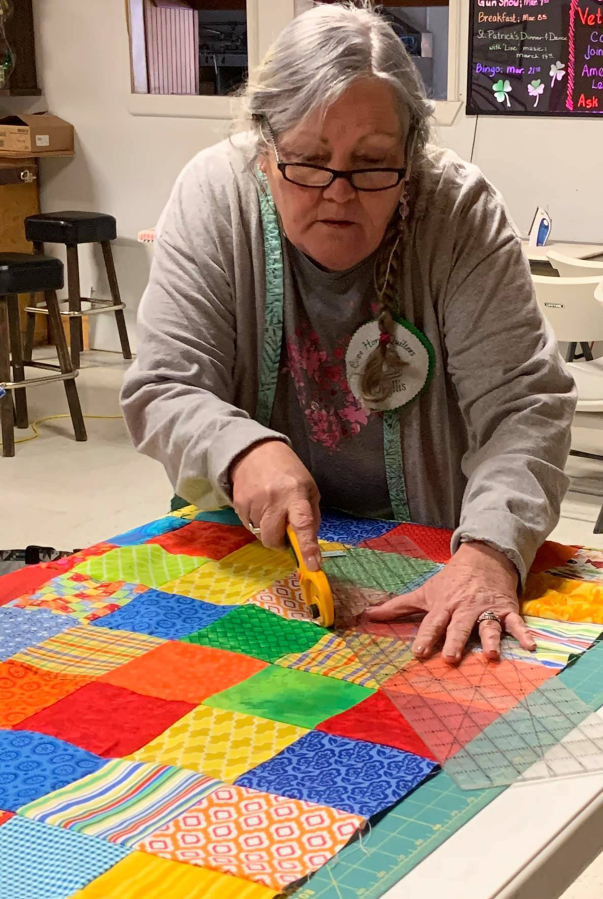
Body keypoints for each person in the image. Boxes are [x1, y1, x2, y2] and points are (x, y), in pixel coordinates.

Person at [121, 3, 576, 664]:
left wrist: (488, 551)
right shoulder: (214, 194)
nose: (337, 193)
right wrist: (241, 449)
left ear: (412, 155)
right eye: (306, 160)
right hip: (255, 552)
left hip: (434, 555)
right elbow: (164, 386)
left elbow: (523, 407)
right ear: (263, 148)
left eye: (371, 165)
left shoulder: (457, 210)